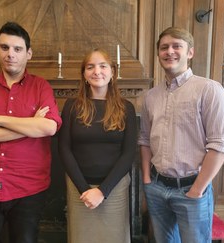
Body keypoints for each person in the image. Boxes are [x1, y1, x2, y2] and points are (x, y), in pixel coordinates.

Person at [0, 22, 62, 243]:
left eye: (17, 49)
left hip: (28, 188)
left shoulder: (41, 87)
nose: (10, 54)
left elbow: (48, 127)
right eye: (4, 48)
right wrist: (29, 126)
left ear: (28, 53)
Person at [138, 27, 224, 243]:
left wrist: (197, 189)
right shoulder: (151, 96)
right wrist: (146, 180)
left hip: (192, 190)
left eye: (176, 46)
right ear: (159, 54)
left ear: (190, 52)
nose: (169, 51)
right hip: (157, 188)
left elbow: (220, 145)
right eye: (164, 47)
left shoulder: (209, 89)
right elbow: (144, 139)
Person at [58, 48, 137, 243]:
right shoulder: (71, 106)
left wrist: (103, 191)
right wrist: (84, 189)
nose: (97, 71)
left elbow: (128, 154)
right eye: (90, 67)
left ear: (112, 72)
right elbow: (64, 148)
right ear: (84, 74)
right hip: (80, 189)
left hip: (114, 188)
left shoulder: (126, 107)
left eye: (103, 66)